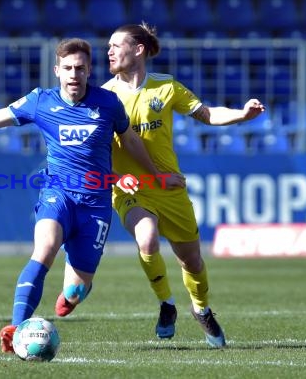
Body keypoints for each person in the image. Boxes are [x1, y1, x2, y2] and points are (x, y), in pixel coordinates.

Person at [0, 38, 180, 352]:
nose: (74, 74)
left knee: (75, 290)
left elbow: (129, 141)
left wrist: (155, 176)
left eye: (81, 69)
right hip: (57, 193)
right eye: (69, 68)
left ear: (89, 71)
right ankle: (16, 329)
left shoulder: (109, 103)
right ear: (57, 70)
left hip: (96, 204)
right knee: (44, 248)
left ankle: (73, 293)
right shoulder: (41, 101)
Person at [103, 22, 265, 348]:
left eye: (116, 45)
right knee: (146, 239)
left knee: (192, 262)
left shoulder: (167, 87)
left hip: (169, 187)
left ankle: (201, 309)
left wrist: (241, 116)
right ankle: (166, 305)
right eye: (108, 46)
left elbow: (207, 114)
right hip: (130, 188)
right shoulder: (105, 96)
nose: (109, 51)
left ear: (138, 49)